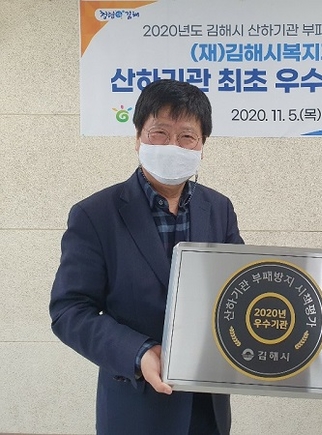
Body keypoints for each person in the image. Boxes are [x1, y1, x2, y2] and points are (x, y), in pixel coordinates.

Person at [49, 79, 243, 435]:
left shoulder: (218, 208)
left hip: (208, 408)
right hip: (135, 405)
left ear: (202, 145)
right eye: (160, 133)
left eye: (187, 136)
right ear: (138, 137)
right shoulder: (96, 214)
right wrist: (138, 352)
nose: (173, 145)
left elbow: (240, 287)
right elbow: (69, 310)